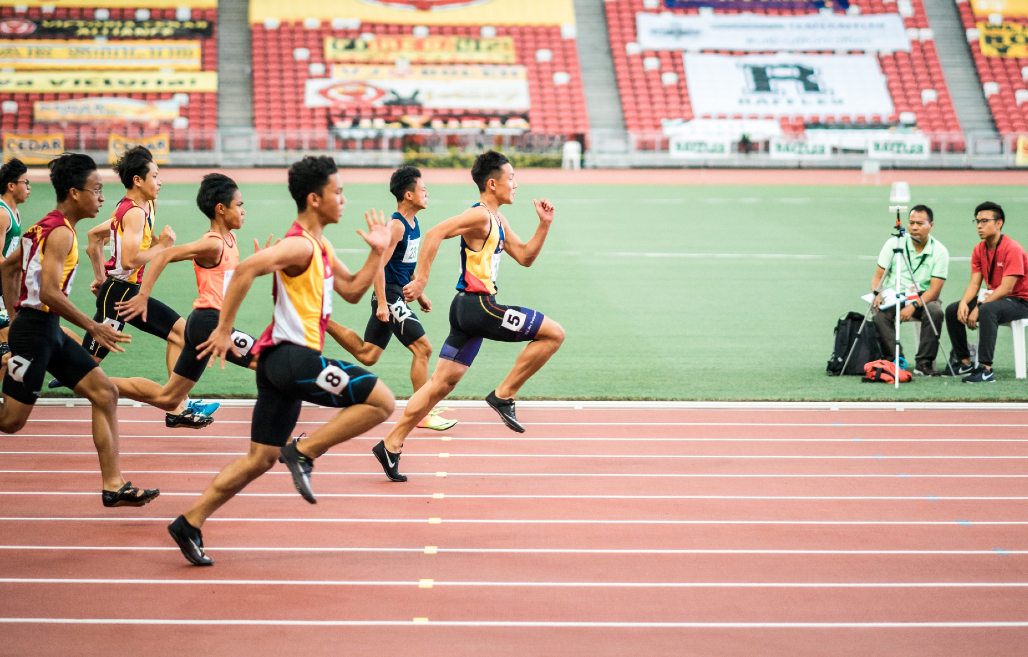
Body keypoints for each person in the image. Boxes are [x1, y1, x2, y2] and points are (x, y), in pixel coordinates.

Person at [167, 156, 395, 566]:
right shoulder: (299, 244)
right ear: (314, 198)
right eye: (337, 192)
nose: (343, 200)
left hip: (277, 366)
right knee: (382, 402)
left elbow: (354, 291)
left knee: (261, 458)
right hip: (294, 359)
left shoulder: (320, 244)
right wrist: (223, 329)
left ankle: (189, 521)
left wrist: (379, 252)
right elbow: (244, 271)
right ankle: (305, 452)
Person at [371, 151, 565, 483]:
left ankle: (391, 444)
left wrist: (544, 225)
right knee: (554, 334)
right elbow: (433, 233)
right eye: (511, 178)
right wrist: (421, 279)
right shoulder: (478, 216)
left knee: (439, 385)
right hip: (480, 308)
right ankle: (504, 395)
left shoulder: (498, 219)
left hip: (466, 311)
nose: (516, 184)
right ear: (492, 183)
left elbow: (526, 256)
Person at [0, 153, 158, 507]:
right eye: (96, 189)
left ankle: (114, 485)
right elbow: (50, 292)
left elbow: (7, 268)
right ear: (74, 193)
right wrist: (93, 326)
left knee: (104, 393)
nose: (102, 197)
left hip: (45, 329)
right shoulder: (57, 233)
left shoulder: (45, 226)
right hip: (36, 332)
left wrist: (13, 318)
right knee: (10, 422)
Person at [79, 146, 215, 428]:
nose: (160, 181)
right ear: (138, 180)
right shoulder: (134, 213)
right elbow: (129, 259)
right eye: (155, 175)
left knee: (179, 334)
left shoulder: (145, 206)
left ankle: (179, 405)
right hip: (119, 294)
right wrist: (164, 248)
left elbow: (95, 237)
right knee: (83, 366)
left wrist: (99, 276)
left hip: (120, 291)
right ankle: (43, 351)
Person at [106, 174, 261, 415]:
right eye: (239, 205)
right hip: (209, 324)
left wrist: (259, 262)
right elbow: (164, 255)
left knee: (168, 399)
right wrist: (143, 295)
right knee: (269, 362)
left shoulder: (230, 239)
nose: (243, 211)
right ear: (221, 209)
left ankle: (91, 380)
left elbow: (229, 279)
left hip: (203, 324)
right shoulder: (213, 244)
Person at [325, 166, 456, 431]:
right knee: (423, 349)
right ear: (408, 195)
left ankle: (321, 319)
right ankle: (422, 413)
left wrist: (420, 294)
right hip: (389, 296)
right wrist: (383, 303)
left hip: (398, 294)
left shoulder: (414, 223)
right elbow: (378, 267)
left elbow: (403, 266)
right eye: (422, 189)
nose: (427, 193)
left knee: (368, 354)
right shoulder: (395, 226)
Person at [945, 201, 1028, 383]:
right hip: (995, 298)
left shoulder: (1012, 249)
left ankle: (986, 369)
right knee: (952, 310)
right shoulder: (979, 249)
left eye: (984, 221)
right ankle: (964, 362)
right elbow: (975, 284)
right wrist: (963, 303)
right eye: (977, 221)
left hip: (1020, 301)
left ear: (999, 223)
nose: (980, 225)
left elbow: (1007, 288)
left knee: (987, 310)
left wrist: (980, 306)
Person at [870, 205, 949, 376]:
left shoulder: (940, 252)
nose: (914, 227)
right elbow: (878, 277)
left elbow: (935, 291)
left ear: (931, 225)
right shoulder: (894, 243)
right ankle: (895, 360)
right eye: (911, 223)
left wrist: (913, 305)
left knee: (935, 312)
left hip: (923, 297)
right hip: (894, 296)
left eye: (920, 223)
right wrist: (878, 294)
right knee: (878, 315)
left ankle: (924, 362)